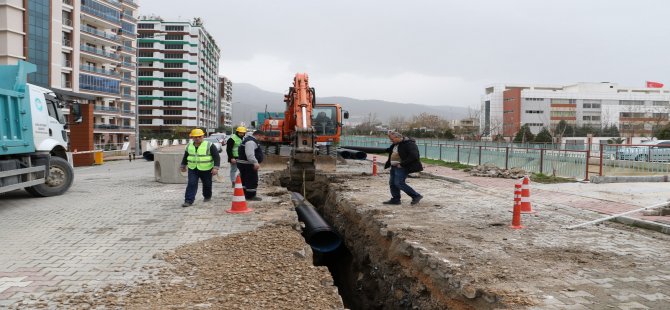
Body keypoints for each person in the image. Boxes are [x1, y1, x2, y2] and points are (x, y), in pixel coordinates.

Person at [179, 128, 221, 208]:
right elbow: (186, 156)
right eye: (195, 137)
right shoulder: (189, 146)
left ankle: (207, 196)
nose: (197, 138)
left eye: (199, 136)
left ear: (203, 136)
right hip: (193, 168)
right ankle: (188, 201)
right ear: (192, 137)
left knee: (207, 184)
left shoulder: (209, 145)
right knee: (191, 184)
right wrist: (183, 165)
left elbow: (216, 157)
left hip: (207, 169)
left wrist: (215, 168)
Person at [383, 130, 424, 205]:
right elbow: (390, 151)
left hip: (402, 167)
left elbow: (414, 156)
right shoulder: (395, 144)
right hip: (394, 167)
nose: (391, 141)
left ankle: (416, 196)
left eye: (392, 139)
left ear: (398, 137)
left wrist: (402, 164)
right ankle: (396, 199)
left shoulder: (409, 144)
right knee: (392, 183)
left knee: (399, 183)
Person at [236, 129, 264, 201]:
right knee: (252, 179)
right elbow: (250, 154)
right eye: (262, 137)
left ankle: (245, 194)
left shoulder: (249, 140)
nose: (262, 139)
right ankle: (251, 196)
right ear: (258, 135)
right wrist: (255, 162)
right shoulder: (251, 142)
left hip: (244, 163)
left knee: (245, 180)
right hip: (248, 164)